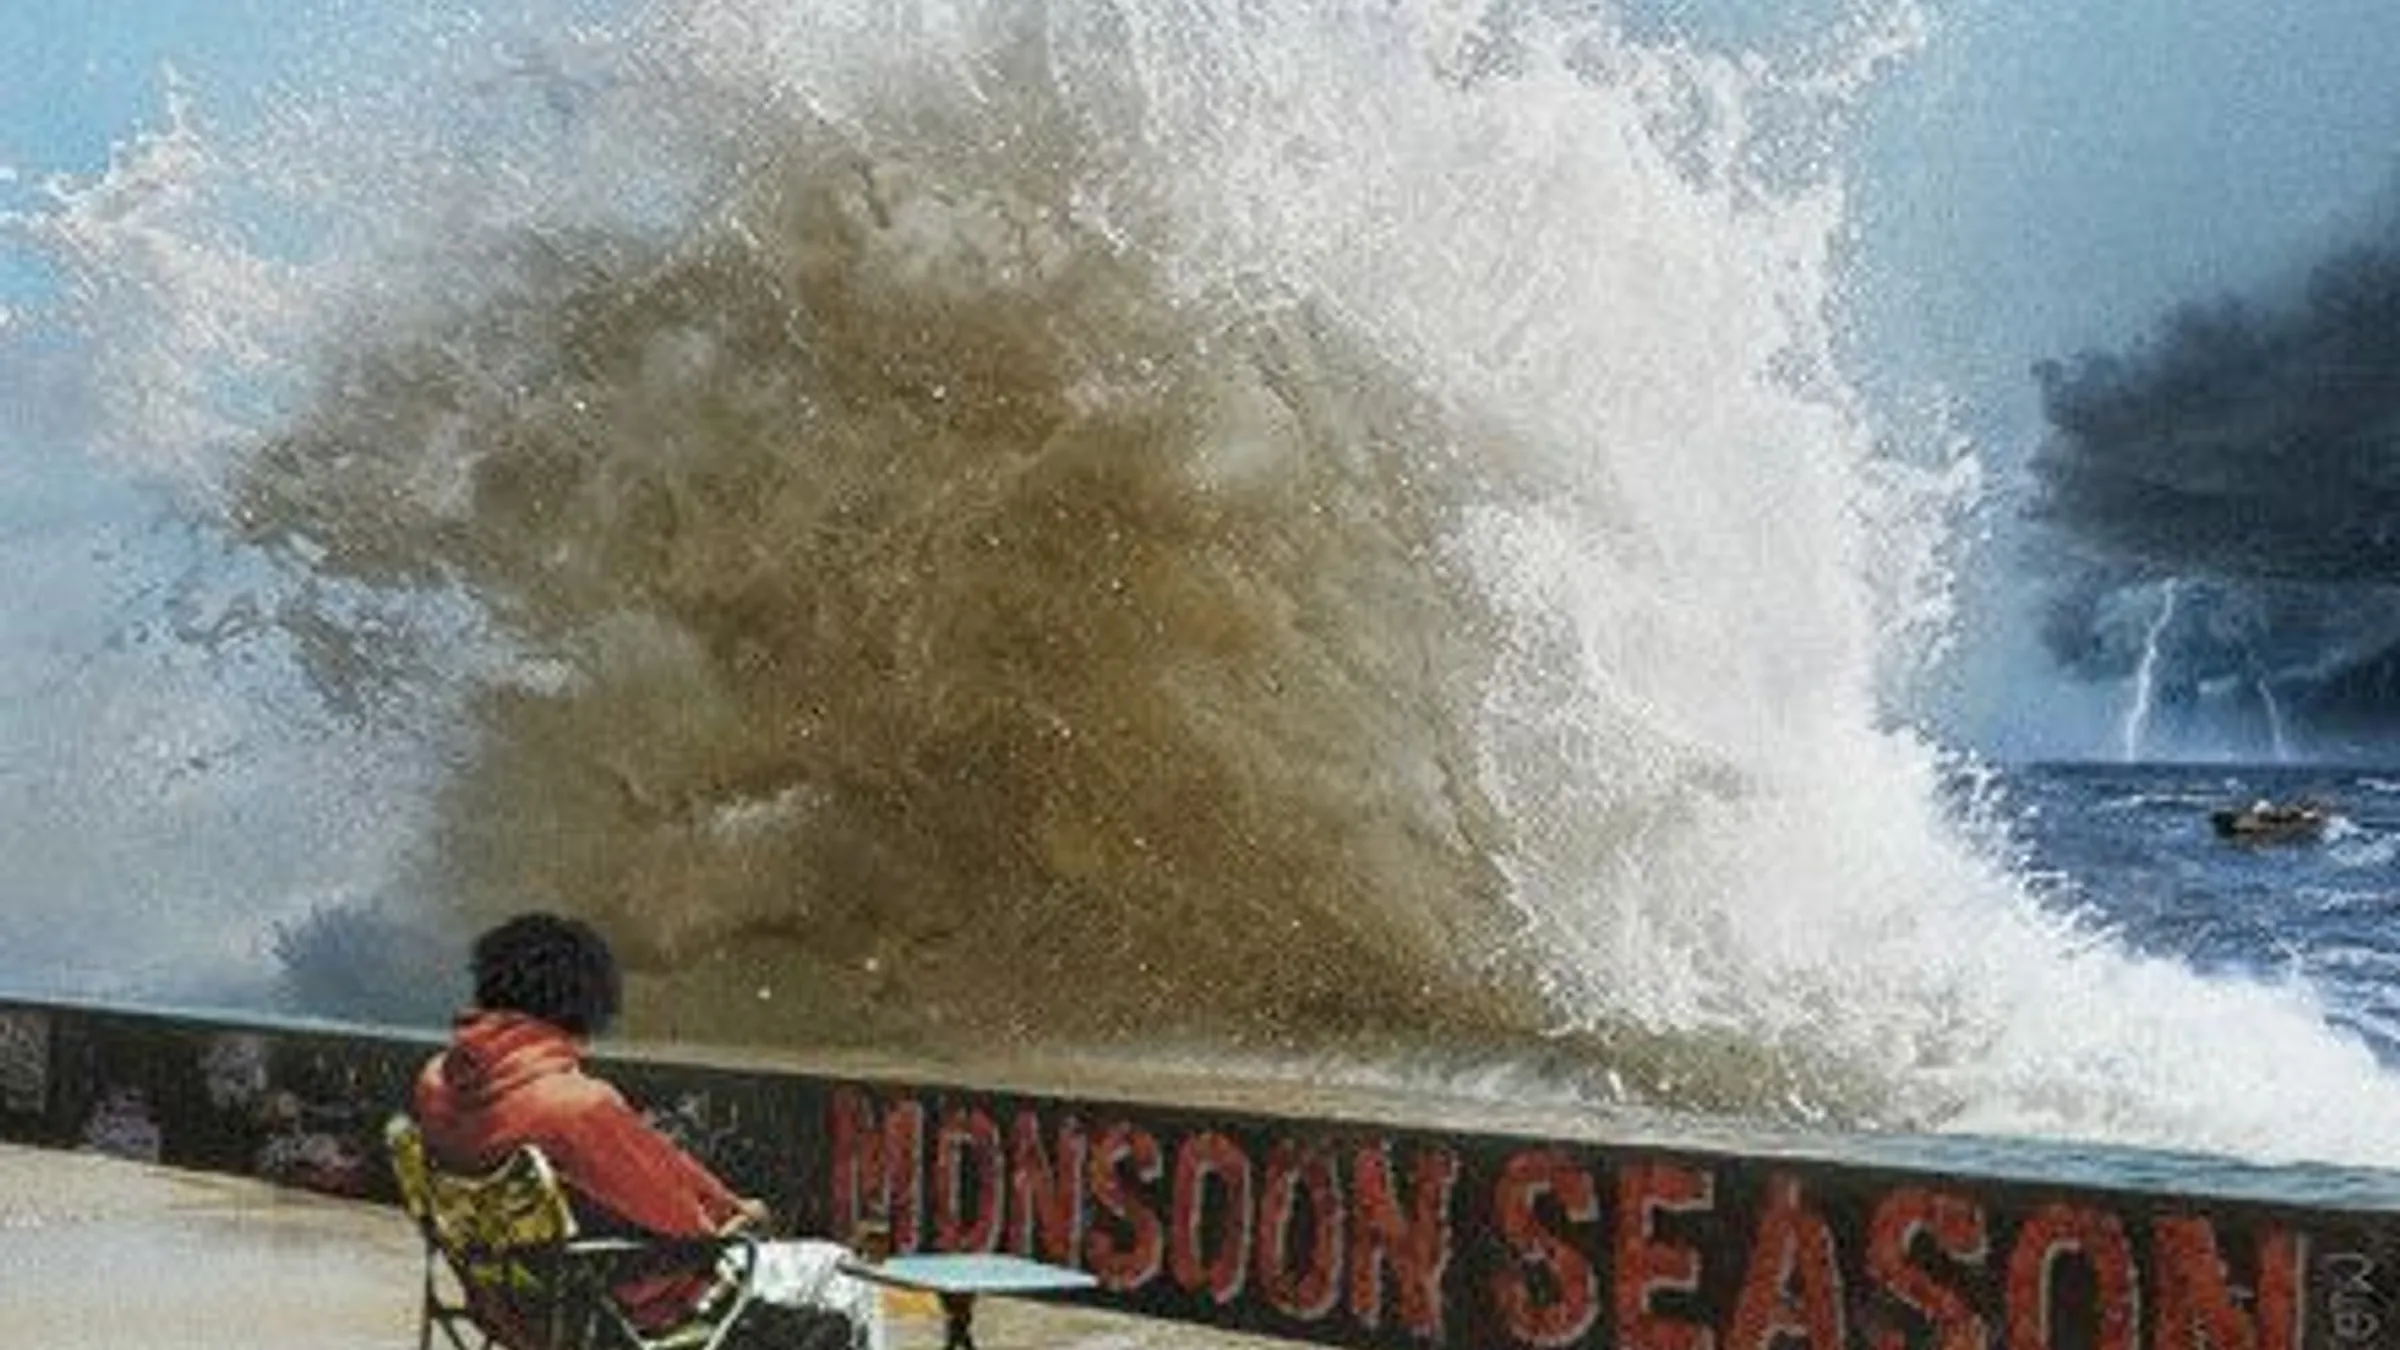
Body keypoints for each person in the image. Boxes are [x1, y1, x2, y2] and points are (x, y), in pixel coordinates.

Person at [411, 911, 884, 1350]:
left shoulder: (435, 1083)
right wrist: (736, 1216)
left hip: (508, 1309)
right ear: (580, 1005)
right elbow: (684, 1224)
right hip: (614, 1312)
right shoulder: (574, 1104)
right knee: (839, 1272)